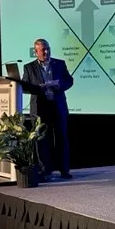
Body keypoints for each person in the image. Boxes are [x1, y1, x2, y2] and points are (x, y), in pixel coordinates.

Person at [22, 38, 74, 181]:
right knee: (42, 140)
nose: (46, 52)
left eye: (47, 49)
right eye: (43, 49)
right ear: (35, 51)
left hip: (58, 105)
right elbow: (25, 86)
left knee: (61, 138)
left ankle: (64, 170)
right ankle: (45, 170)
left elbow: (69, 81)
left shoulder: (59, 63)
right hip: (40, 108)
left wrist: (59, 86)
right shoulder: (29, 67)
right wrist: (39, 88)